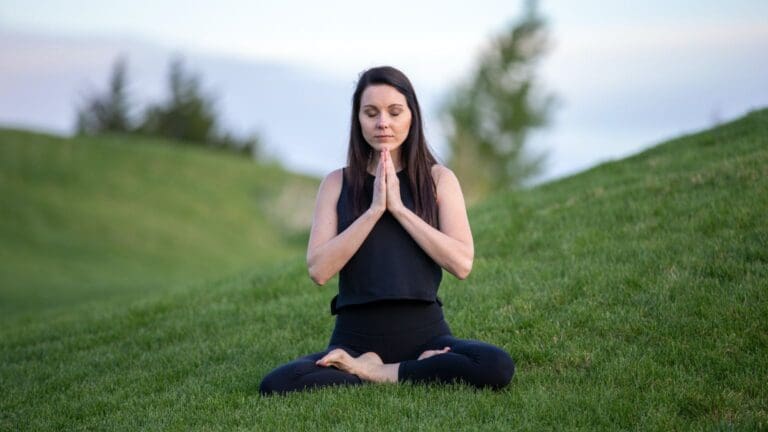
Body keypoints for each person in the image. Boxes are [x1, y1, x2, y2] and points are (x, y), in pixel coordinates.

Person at [259, 66, 514, 395]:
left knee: (495, 365)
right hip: (354, 339)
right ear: (358, 119)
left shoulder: (439, 180)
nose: (383, 123)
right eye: (371, 113)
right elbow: (318, 270)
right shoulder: (336, 183)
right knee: (277, 384)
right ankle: (399, 368)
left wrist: (400, 209)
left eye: (395, 112)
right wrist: (375, 209)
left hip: (427, 335)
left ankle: (378, 372)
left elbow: (462, 263)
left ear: (412, 116)